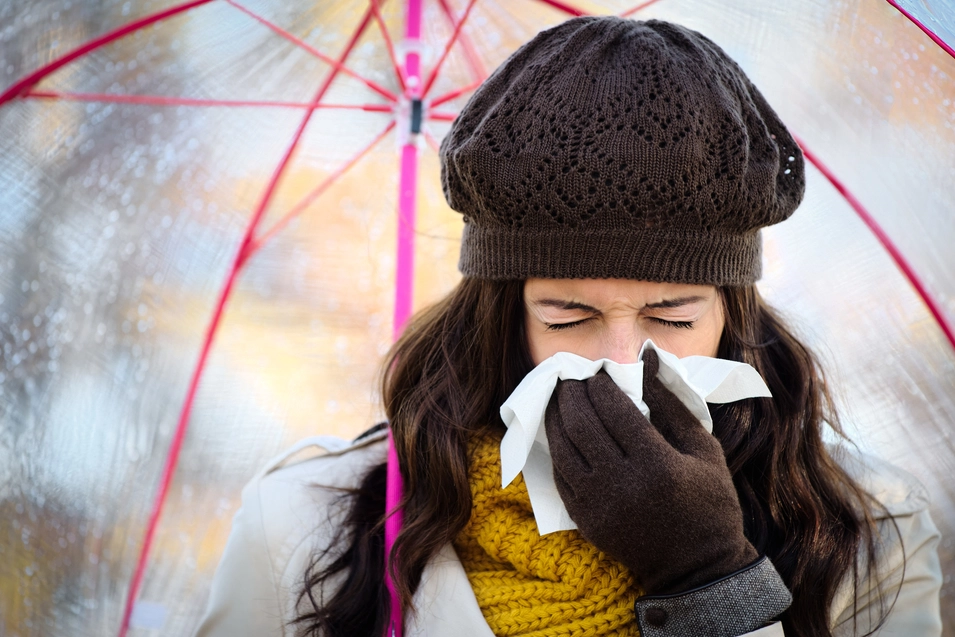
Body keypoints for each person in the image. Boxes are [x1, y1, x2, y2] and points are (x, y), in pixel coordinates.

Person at [193, 16, 942, 637]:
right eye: (568, 315)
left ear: (731, 315)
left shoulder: (869, 537)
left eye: (673, 317)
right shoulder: (302, 525)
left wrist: (712, 579)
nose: (621, 361)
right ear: (500, 317)